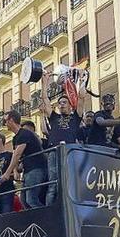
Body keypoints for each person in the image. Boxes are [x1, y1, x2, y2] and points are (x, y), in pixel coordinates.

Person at [39, 69, 85, 205]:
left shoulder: (76, 117)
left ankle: (67, 205)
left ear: (71, 106)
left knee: (68, 181)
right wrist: (45, 83)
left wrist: (82, 80)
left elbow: (82, 98)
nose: (61, 104)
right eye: (59, 103)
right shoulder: (54, 117)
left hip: (69, 152)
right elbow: (45, 99)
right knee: (53, 183)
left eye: (64, 102)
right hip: (54, 151)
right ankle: (50, 209)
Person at [3, 110, 47, 209]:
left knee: (31, 199)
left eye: (5, 121)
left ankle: (44, 218)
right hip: (28, 170)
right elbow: (16, 156)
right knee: (24, 201)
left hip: (36, 168)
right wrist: (15, 170)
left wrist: (7, 173)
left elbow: (17, 154)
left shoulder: (24, 134)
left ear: (11, 120)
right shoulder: (16, 138)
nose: (5, 124)